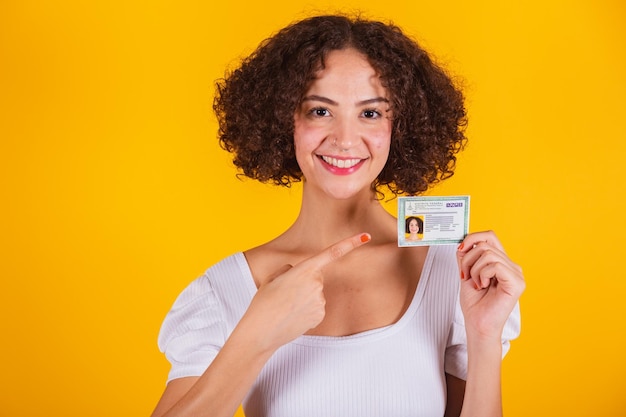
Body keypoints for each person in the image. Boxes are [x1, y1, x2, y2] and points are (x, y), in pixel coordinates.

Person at [151, 14, 524, 417]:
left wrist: (484, 338)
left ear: (400, 125)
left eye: (370, 113)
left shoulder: (451, 273)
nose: (345, 140)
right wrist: (258, 333)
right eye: (320, 111)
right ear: (284, 120)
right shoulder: (226, 290)